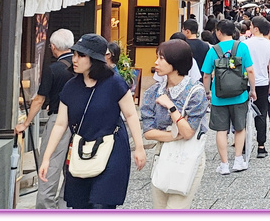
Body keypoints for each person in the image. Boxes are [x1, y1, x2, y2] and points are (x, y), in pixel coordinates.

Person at [38, 33, 146, 209]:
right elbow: (60, 124)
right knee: (81, 205)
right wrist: (47, 158)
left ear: (94, 59)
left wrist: (140, 148)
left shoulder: (114, 82)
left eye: (81, 55)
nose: (75, 59)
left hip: (112, 148)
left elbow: (131, 114)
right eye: (74, 54)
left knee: (102, 204)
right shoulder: (70, 87)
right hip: (82, 149)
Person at [140, 39, 209, 209]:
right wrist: (174, 135)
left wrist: (171, 107)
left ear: (176, 62)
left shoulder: (196, 92)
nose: (156, 62)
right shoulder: (153, 92)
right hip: (161, 155)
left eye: (162, 58)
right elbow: (148, 132)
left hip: (188, 156)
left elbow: (188, 133)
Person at [14, 28, 74, 209]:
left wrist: (25, 123)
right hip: (80, 122)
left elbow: (39, 100)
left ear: (53, 47)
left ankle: (46, 208)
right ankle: (66, 206)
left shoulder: (54, 69)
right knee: (71, 166)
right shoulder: (82, 65)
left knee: (50, 165)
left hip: (59, 121)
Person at [199, 19, 256, 175]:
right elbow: (250, 71)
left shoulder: (213, 50)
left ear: (218, 32)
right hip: (240, 95)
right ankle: (238, 160)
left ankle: (224, 164)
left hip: (219, 96)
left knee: (221, 130)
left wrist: (207, 93)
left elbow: (205, 75)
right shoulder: (242, 47)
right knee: (240, 128)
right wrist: (253, 90)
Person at [245, 16, 270, 158]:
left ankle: (242, 144)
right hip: (263, 83)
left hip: (246, 82)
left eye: (251, 26)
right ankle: (261, 146)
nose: (250, 28)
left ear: (256, 28)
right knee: (262, 114)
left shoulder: (245, 44)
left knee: (244, 113)